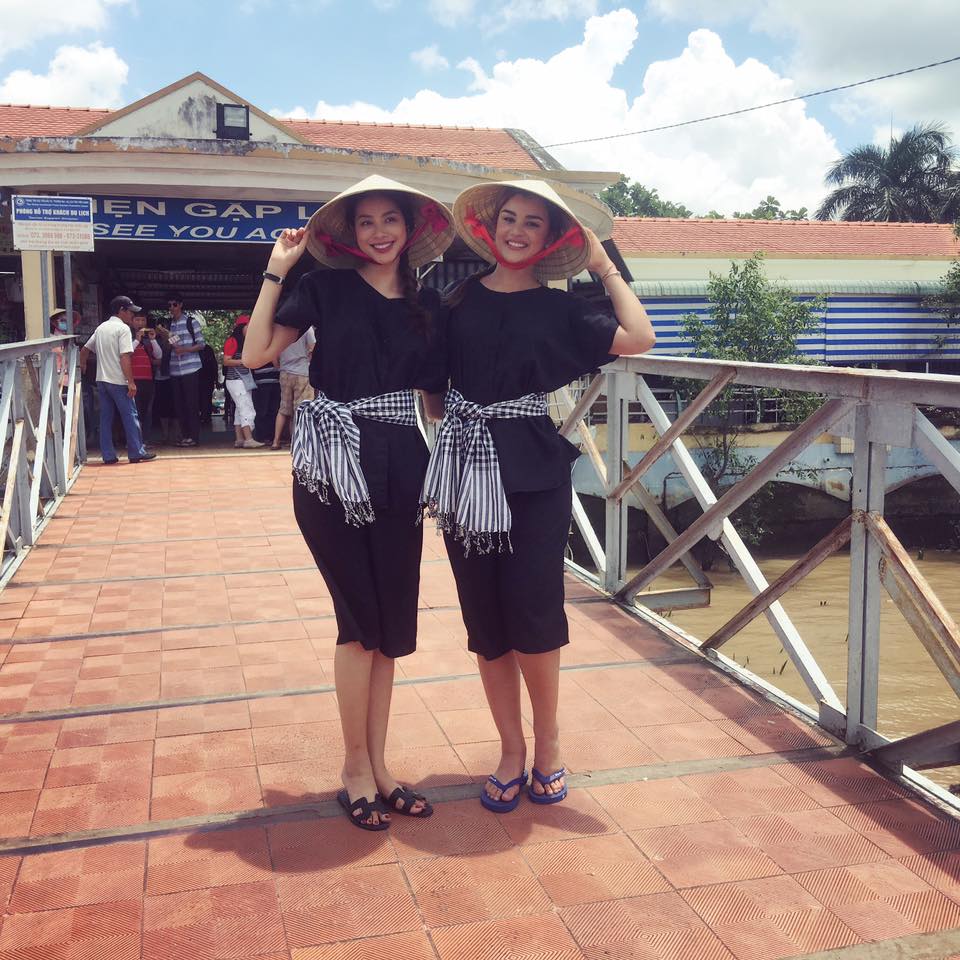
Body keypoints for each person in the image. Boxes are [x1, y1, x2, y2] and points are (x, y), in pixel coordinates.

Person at [421, 180, 655, 812]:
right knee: (485, 620)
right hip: (467, 472)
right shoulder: (454, 300)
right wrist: (460, 432)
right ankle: (510, 749)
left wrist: (603, 264)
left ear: (552, 239)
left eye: (533, 223)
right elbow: (433, 394)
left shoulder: (561, 310)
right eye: (509, 219)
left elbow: (639, 337)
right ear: (490, 227)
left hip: (534, 474)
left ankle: (548, 744)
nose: (517, 231)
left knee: (535, 614)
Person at [242, 174, 454, 830]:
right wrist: (276, 270)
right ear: (351, 233)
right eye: (366, 221)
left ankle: (381, 767)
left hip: (401, 463)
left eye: (391, 219)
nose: (379, 232)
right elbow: (254, 354)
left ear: (410, 229)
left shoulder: (429, 304)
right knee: (358, 622)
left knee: (388, 629)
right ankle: (354, 767)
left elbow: (438, 400)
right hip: (333, 462)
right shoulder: (324, 287)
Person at [79, 295, 158, 465]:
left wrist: (82, 366)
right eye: (130, 312)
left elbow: (84, 350)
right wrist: (131, 381)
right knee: (130, 415)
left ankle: (108, 455)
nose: (132, 315)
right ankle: (136, 452)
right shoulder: (123, 329)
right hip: (118, 380)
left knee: (106, 418)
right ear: (121, 311)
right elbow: (124, 357)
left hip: (102, 380)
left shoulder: (101, 328)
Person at [166, 292, 205, 447]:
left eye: (174, 304)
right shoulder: (170, 325)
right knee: (179, 405)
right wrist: (167, 340)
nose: (172, 307)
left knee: (191, 404)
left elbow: (201, 344)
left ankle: (194, 437)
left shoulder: (191, 322)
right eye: (169, 305)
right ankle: (185, 436)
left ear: (181, 305)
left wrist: (185, 350)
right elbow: (172, 345)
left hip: (191, 368)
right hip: (175, 369)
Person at [222, 315, 265, 449]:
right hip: (236, 380)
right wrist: (244, 361)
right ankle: (249, 439)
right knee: (246, 408)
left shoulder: (244, 342)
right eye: (248, 326)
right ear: (242, 327)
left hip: (240, 380)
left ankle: (240, 439)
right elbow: (226, 361)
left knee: (239, 409)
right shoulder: (232, 341)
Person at [272, 327, 316, 449]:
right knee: (301, 409)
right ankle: (298, 441)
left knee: (283, 409)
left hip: (285, 372)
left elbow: (273, 354)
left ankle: (276, 441)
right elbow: (313, 348)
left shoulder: (280, 329)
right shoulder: (307, 328)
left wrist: (279, 365)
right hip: (302, 372)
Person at [131, 310, 161, 442]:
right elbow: (126, 353)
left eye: (143, 320)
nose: (140, 323)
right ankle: (135, 440)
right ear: (132, 322)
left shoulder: (149, 340)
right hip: (133, 380)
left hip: (148, 380)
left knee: (147, 412)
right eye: (137, 320)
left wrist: (153, 340)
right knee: (134, 411)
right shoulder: (127, 337)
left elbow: (159, 355)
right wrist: (137, 340)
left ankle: (145, 440)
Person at [251, 358, 281, 443]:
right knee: (263, 411)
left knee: (273, 410)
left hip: (273, 381)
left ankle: (270, 436)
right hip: (262, 382)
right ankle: (262, 436)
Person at [199, 342, 219, 427]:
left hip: (205, 378)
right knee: (206, 398)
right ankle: (206, 417)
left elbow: (214, 365)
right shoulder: (207, 348)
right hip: (205, 378)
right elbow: (214, 365)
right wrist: (216, 379)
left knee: (205, 398)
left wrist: (216, 379)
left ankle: (205, 417)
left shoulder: (207, 349)